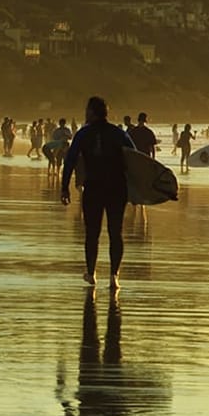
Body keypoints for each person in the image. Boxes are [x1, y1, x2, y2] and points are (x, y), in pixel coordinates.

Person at [61, 97, 137, 288]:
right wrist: (139, 190)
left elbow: (70, 160)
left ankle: (91, 273)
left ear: (92, 112)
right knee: (115, 232)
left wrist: (64, 187)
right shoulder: (118, 133)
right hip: (117, 188)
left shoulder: (83, 134)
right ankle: (114, 276)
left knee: (92, 233)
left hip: (94, 187)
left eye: (87, 110)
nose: (85, 113)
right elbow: (135, 160)